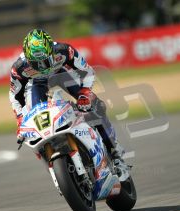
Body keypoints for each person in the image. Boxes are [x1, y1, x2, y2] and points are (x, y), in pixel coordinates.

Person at [9, 29, 125, 165]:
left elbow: (87, 71)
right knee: (37, 123)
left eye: (45, 61)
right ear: (28, 59)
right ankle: (50, 159)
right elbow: (14, 96)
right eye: (35, 63)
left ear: (51, 51)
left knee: (96, 105)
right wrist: (20, 119)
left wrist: (85, 93)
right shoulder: (18, 68)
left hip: (61, 75)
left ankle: (113, 149)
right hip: (37, 83)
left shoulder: (65, 50)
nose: (41, 67)